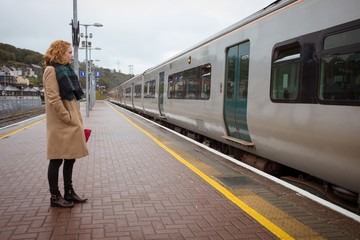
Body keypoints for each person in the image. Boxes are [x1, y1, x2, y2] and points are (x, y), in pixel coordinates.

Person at [43, 40, 89, 208]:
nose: (72, 55)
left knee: (70, 157)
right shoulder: (51, 70)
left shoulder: (66, 70)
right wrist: (68, 117)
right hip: (60, 123)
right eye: (69, 52)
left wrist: (73, 118)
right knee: (56, 160)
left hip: (69, 121)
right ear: (59, 53)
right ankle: (55, 196)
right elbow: (53, 99)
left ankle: (69, 192)